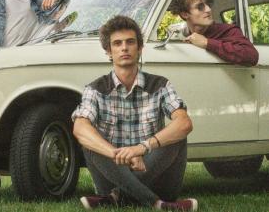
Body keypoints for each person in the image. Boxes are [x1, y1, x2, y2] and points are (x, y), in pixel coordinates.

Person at [72, 15, 197, 211]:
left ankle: (116, 198)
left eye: (130, 42)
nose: (124, 48)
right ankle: (158, 204)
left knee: (177, 135)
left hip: (155, 174)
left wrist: (142, 148)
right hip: (113, 174)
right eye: (117, 43)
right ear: (109, 52)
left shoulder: (160, 84)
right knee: (89, 140)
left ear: (140, 49)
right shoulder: (95, 89)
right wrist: (120, 155)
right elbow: (80, 128)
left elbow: (184, 123)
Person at [170, 0, 258, 66]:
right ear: (185, 14)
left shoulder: (228, 31)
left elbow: (252, 56)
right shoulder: (180, 35)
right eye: (200, 7)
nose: (208, 9)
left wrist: (207, 43)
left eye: (208, 4)